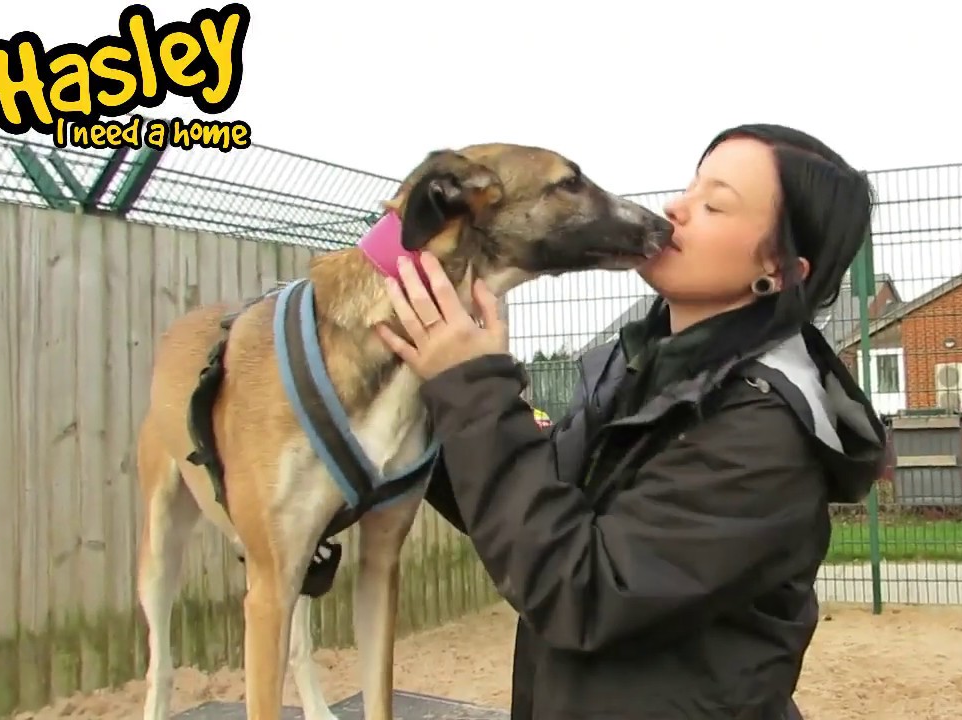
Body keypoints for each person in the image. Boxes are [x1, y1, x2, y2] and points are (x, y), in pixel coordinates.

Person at [375, 123, 888, 719]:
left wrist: (473, 388)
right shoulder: (644, 369)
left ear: (779, 267)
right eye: (690, 188)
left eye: (714, 203)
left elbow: (582, 590)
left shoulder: (763, 433)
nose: (677, 208)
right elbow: (526, 512)